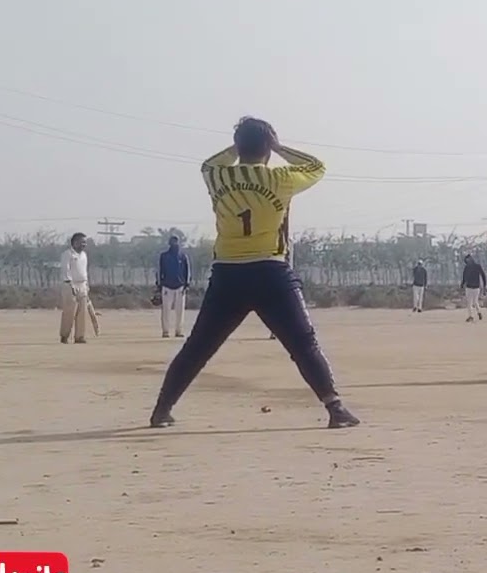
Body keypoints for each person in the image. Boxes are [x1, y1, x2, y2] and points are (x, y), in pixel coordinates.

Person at [148, 116, 358, 429]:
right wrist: (278, 145)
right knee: (303, 343)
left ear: (238, 146)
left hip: (227, 275)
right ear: (268, 148)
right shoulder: (280, 178)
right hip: (270, 271)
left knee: (198, 347)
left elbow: (208, 163)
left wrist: (237, 147)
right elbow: (317, 166)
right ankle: (335, 408)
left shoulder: (217, 176)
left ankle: (162, 409)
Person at [59, 232, 91, 344]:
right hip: (70, 284)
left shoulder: (84, 255)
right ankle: (64, 335)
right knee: (69, 311)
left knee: (82, 311)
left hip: (82, 284)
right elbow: (65, 270)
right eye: (82, 242)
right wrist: (70, 283)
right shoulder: (67, 254)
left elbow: (84, 271)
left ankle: (79, 336)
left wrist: (86, 284)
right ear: (75, 242)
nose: (84, 244)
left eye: (85, 242)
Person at [157, 235, 191, 338]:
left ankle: (178, 331)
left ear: (178, 243)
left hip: (180, 287)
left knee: (180, 311)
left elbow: (187, 271)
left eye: (175, 242)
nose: (174, 244)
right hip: (167, 287)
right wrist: (159, 284)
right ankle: (165, 331)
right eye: (172, 242)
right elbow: (159, 271)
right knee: (166, 310)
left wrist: (187, 284)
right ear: (169, 243)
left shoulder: (183, 256)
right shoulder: (164, 256)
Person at [461, 254, 487, 322]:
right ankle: (479, 312)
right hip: (476, 287)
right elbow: (483, 276)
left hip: (469, 287)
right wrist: (484, 285)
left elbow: (464, 277)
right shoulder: (477, 266)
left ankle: (471, 316)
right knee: (475, 301)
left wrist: (462, 284)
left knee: (469, 302)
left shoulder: (467, 267)